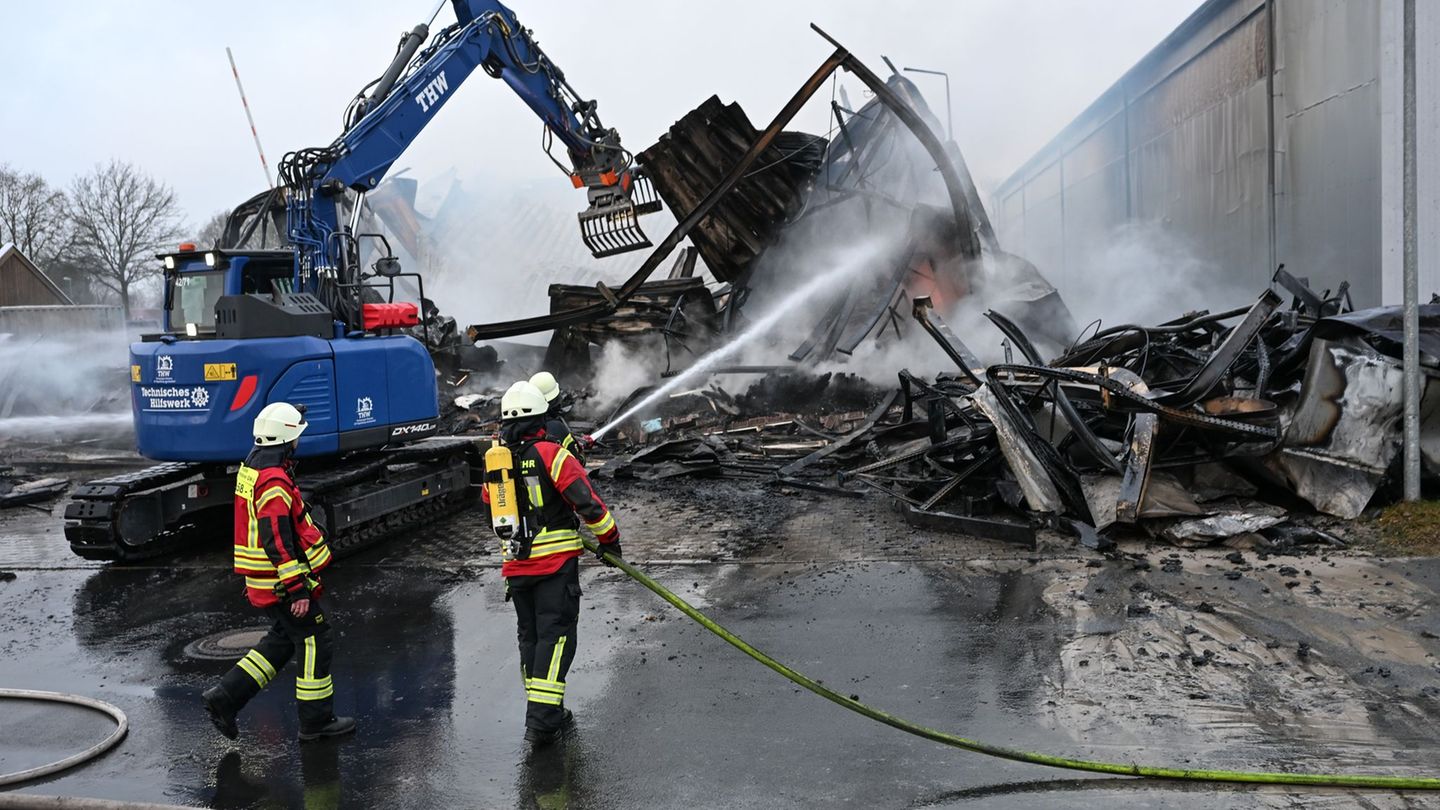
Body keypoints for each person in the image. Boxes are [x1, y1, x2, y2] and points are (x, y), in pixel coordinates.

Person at [203, 402, 356, 743]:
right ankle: (316, 722)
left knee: (283, 640)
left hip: (265, 578)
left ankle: (226, 698)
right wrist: (297, 588)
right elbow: (277, 537)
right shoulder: (272, 479)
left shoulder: (255, 466)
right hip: (281, 582)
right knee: (316, 639)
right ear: (288, 439)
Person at [487, 381, 622, 745]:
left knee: (530, 637)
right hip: (553, 567)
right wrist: (610, 541)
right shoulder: (551, 453)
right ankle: (544, 719)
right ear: (541, 417)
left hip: (515, 569)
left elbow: (492, 511)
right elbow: (588, 503)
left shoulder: (496, 461)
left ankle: (544, 709)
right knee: (557, 635)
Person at [528, 371, 594, 463]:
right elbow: (576, 463)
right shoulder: (555, 427)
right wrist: (579, 449)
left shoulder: (521, 426)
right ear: (555, 400)